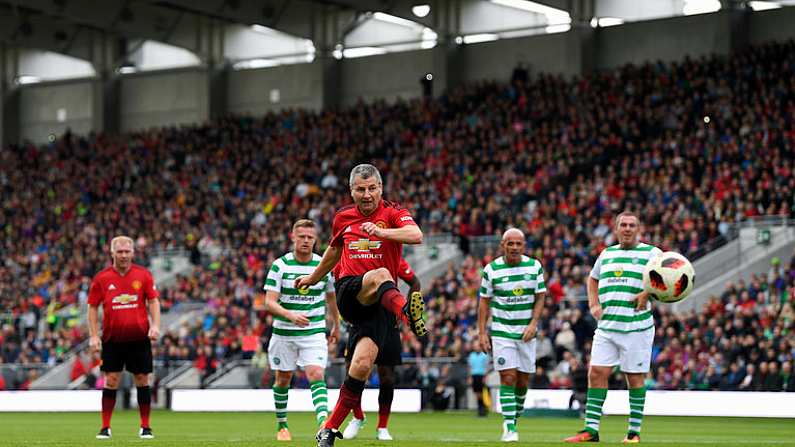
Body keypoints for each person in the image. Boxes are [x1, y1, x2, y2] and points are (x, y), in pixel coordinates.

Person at [295, 163, 427, 447]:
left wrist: (383, 233)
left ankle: (328, 429)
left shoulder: (393, 213)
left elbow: (416, 235)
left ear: (380, 188)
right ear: (351, 190)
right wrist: (313, 277)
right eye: (360, 189)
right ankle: (406, 312)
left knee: (362, 365)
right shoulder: (343, 217)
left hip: (380, 304)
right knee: (381, 274)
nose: (367, 195)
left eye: (372, 188)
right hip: (350, 291)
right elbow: (333, 251)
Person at [564, 211, 662, 444]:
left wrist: (647, 292)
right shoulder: (606, 254)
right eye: (623, 225)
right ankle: (591, 430)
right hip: (607, 327)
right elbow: (592, 278)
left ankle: (633, 432)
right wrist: (593, 303)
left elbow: (667, 279)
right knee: (596, 373)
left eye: (632, 225)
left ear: (639, 229)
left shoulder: (652, 253)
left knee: (635, 378)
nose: (627, 229)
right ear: (616, 229)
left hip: (637, 327)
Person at [264, 219, 341, 441]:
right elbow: (269, 302)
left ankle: (323, 426)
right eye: (302, 237)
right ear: (293, 238)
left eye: (310, 237)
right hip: (284, 332)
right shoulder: (280, 265)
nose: (306, 241)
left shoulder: (323, 265)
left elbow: (331, 299)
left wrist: (336, 324)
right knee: (283, 379)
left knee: (316, 374)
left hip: (314, 332)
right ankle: (282, 425)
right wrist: (290, 315)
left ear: (316, 239)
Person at [88, 236, 160, 440]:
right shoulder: (102, 278)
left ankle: (145, 426)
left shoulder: (143, 275)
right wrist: (94, 335)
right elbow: (92, 307)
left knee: (142, 379)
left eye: (127, 251)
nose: (124, 255)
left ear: (133, 253)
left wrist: (155, 325)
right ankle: (105, 427)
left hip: (139, 338)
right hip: (112, 338)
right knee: (110, 380)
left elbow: (154, 302)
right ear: (112, 253)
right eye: (119, 252)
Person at [478, 228, 546, 442]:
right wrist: (481, 333)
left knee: (523, 381)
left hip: (526, 334)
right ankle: (509, 428)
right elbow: (483, 302)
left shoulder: (534, 267)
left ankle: (513, 419)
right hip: (502, 332)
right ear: (503, 245)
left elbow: (540, 297)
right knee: (508, 377)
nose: (514, 247)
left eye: (518, 244)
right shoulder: (491, 270)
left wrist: (534, 324)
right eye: (510, 243)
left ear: (524, 246)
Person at [342, 257, 422, 440]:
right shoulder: (359, 254)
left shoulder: (395, 259)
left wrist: (407, 312)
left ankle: (382, 427)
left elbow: (415, 282)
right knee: (352, 371)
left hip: (387, 322)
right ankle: (357, 417)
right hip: (362, 320)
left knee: (386, 376)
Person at [467, 342, 490, 417]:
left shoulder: (484, 355)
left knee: (481, 393)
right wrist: (470, 377)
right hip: (474, 375)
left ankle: (483, 409)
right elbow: (470, 367)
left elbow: (486, 367)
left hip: (481, 375)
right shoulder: (471, 355)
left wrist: (485, 377)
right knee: (476, 393)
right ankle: (481, 409)